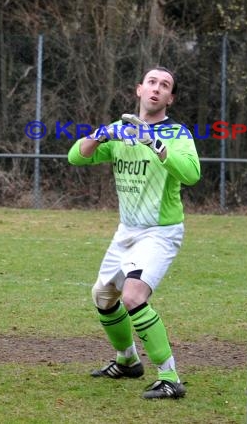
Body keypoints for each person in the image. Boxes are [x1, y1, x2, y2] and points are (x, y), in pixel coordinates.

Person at [68, 66, 201, 400]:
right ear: (139, 90)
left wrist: (155, 143)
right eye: (152, 82)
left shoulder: (178, 134)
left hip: (161, 232)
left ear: (170, 98)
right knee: (103, 297)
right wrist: (100, 135)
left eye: (165, 85)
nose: (157, 89)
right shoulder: (118, 131)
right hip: (126, 231)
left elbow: (192, 174)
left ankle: (170, 377)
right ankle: (127, 361)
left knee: (133, 297)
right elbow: (76, 158)